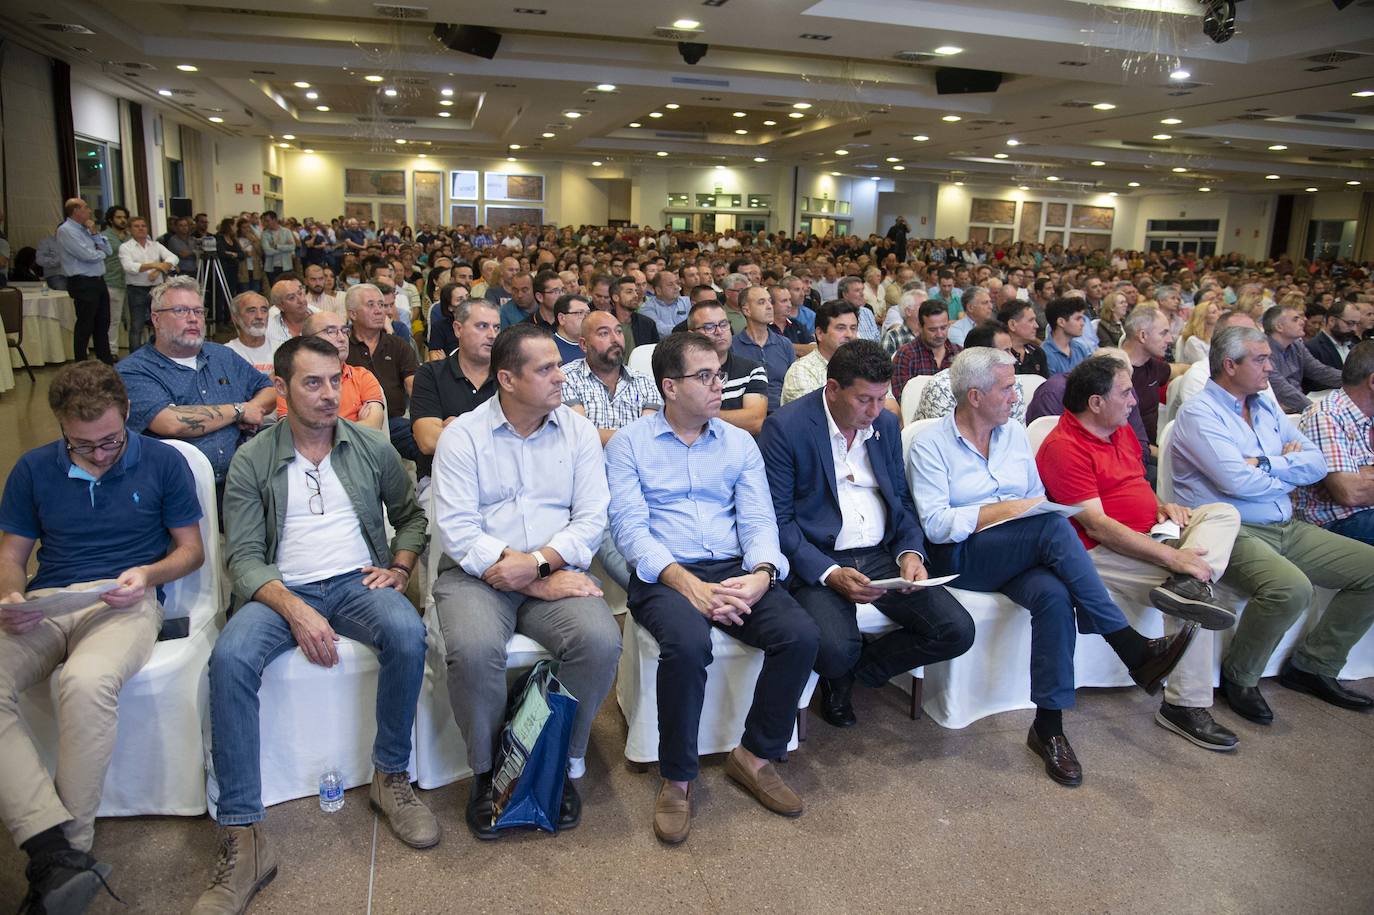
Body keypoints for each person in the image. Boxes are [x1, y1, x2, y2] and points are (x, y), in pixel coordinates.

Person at [201, 337, 432, 915]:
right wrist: (294, 607)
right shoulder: (255, 458)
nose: (329, 395)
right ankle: (243, 833)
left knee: (406, 634)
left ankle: (390, 775)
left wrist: (400, 567)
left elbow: (410, 517)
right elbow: (245, 556)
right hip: (285, 587)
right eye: (312, 383)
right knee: (230, 659)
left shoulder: (371, 446)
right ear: (280, 389)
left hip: (357, 581)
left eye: (335, 381)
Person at [909, 348, 1201, 786]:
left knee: (1055, 595)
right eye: (1007, 388)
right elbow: (936, 525)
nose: (1016, 396)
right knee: (1052, 528)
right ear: (974, 396)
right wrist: (1004, 509)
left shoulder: (1012, 436)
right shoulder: (930, 443)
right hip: (962, 555)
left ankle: (1048, 726)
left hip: (1019, 548)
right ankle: (1129, 645)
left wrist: (1021, 510)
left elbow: (1034, 496)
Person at [0, 361, 203, 914]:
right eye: (81, 444)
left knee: (87, 683)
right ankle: (54, 855)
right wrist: (12, 596)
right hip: (48, 603)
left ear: (127, 416)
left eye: (110, 440)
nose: (99, 454)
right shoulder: (33, 468)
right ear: (61, 427)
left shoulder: (160, 460)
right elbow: (11, 556)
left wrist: (148, 575)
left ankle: (69, 849)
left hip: (124, 601)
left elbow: (191, 550)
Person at [606, 332, 821, 845]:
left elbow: (758, 520)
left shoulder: (739, 442)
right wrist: (687, 585)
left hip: (734, 566)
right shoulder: (630, 445)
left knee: (801, 634)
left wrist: (762, 575)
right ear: (669, 386)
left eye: (719, 375)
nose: (718, 386)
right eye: (704, 377)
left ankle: (755, 755)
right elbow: (631, 532)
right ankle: (677, 777)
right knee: (687, 644)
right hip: (664, 571)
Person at [431, 324, 621, 840]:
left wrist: (539, 566)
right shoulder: (463, 436)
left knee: (601, 641)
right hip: (477, 576)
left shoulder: (578, 431)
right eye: (546, 369)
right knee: (472, 649)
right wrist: (529, 578)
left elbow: (591, 518)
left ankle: (556, 761)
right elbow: (458, 531)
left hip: (552, 568)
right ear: (507, 379)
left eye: (559, 365)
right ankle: (490, 771)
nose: (561, 377)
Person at [759, 340, 974, 728]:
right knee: (834, 649)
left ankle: (852, 676)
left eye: (882, 399)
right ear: (833, 389)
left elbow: (902, 500)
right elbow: (778, 521)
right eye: (864, 400)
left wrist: (911, 553)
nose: (875, 411)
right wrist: (828, 574)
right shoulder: (786, 427)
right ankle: (840, 669)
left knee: (956, 631)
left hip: (881, 552)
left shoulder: (886, 424)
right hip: (820, 555)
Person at [1170, 325, 1374, 725]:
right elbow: (1235, 482)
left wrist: (1266, 463)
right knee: (1289, 589)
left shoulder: (1265, 405)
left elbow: (1316, 465)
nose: (1271, 366)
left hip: (1286, 523)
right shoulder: (1199, 413)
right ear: (1230, 365)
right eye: (1261, 359)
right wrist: (1287, 466)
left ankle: (1314, 665)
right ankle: (1240, 677)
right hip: (1232, 529)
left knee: (1371, 569)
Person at [1038, 356, 1243, 752]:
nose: (1135, 401)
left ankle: (1187, 583)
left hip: (1153, 531)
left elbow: (1135, 484)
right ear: (1096, 402)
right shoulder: (1064, 447)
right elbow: (1098, 527)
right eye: (1125, 392)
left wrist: (1163, 507)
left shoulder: (1120, 431)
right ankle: (1184, 706)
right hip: (1099, 552)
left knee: (1222, 512)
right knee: (1195, 599)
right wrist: (1172, 559)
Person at [117, 277, 276, 486]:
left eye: (199, 312)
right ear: (156, 319)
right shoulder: (134, 370)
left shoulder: (222, 356)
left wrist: (254, 407)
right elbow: (170, 422)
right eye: (181, 311)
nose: (193, 319)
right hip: (178, 488)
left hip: (240, 481)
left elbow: (269, 389)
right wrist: (240, 410)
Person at [561, 310, 662, 590]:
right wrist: (630, 438)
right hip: (589, 478)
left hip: (640, 476)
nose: (615, 339)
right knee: (604, 525)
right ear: (583, 344)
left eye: (618, 331)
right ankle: (648, 591)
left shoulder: (644, 380)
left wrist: (607, 437)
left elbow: (649, 438)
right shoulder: (565, 378)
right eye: (603, 333)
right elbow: (583, 435)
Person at [410, 298, 499, 494]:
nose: (492, 335)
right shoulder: (431, 374)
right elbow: (428, 441)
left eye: (496, 327)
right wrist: (495, 435)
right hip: (444, 480)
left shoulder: (508, 375)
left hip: (501, 479)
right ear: (458, 329)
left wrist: (457, 427)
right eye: (482, 326)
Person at [1295, 341, 1374, 544]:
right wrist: (1358, 477)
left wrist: (1364, 474)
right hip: (1335, 523)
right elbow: (1351, 493)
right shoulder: (1326, 415)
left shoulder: (1367, 414)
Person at [275, 312, 385, 431]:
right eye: (331, 331)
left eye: (344, 331)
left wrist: (320, 430)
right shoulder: (294, 380)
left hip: (358, 449)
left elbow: (373, 427)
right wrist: (358, 425)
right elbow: (294, 432)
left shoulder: (363, 376)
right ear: (310, 339)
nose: (342, 338)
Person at [346, 283, 420, 461]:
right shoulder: (342, 346)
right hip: (352, 424)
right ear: (352, 313)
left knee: (424, 443)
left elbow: (413, 385)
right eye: (371, 305)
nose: (380, 311)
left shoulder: (397, 344)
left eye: (381, 304)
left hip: (393, 422)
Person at [914, 324, 1027, 423]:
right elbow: (942, 440)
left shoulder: (1013, 383)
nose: (1013, 358)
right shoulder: (941, 388)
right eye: (1006, 351)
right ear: (980, 356)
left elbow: (1014, 436)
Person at [685, 300, 768, 434]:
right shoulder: (683, 374)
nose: (719, 331)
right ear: (692, 335)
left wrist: (700, 416)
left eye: (723, 324)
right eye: (709, 327)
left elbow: (755, 421)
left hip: (739, 451)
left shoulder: (752, 370)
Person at [57, 198, 115, 364]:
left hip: (98, 280)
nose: (90, 211)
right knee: (85, 324)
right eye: (86, 207)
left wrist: (95, 233)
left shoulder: (88, 229)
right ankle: (81, 362)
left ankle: (105, 360)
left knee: (103, 322)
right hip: (82, 282)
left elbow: (108, 250)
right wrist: (99, 253)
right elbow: (87, 256)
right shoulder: (66, 231)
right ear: (76, 211)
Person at [1264, 302, 1343, 414]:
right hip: (1277, 411)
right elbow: (1281, 388)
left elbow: (1319, 371)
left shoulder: (1297, 345)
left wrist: (1354, 381)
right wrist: (1314, 410)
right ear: (1279, 327)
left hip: (1298, 407)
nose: (1303, 321)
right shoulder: (1263, 350)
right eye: (1295, 319)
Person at [730, 285, 795, 412]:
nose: (770, 306)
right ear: (747, 310)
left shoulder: (784, 343)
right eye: (761, 302)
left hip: (783, 413)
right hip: (748, 414)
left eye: (770, 301)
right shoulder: (732, 346)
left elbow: (793, 386)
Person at [118, 216, 178, 352]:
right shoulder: (125, 247)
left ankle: (162, 352)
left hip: (156, 289)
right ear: (130, 230)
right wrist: (154, 264)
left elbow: (173, 258)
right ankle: (134, 357)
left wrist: (158, 269)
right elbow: (129, 267)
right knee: (136, 326)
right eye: (136, 226)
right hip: (136, 289)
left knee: (160, 323)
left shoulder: (156, 245)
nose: (141, 229)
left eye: (143, 226)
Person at [1120, 305, 1175, 450]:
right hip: (1130, 454)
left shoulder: (1152, 365)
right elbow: (1121, 440)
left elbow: (1178, 369)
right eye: (1164, 333)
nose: (1170, 339)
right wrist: (1165, 454)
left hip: (1150, 450)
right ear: (1143, 336)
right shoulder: (1115, 375)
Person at [891, 300, 961, 402]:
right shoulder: (906, 355)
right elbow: (902, 399)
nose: (940, 334)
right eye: (932, 330)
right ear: (920, 326)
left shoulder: (959, 353)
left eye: (944, 328)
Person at [100, 206, 130, 356]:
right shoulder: (104, 237)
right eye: (118, 217)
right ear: (111, 219)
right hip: (111, 281)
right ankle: (112, 350)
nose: (122, 220)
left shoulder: (130, 237)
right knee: (113, 319)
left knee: (130, 319)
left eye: (124, 217)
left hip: (130, 282)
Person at [224, 291, 275, 375]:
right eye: (252, 311)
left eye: (264, 310)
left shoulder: (281, 349)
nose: (259, 316)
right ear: (235, 318)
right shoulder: (226, 353)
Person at [608, 274, 660, 356]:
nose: (636, 295)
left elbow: (656, 354)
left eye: (636, 291)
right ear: (616, 297)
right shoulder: (605, 324)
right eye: (629, 292)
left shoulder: (647, 324)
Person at [1042, 296, 1095, 375]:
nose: (1082, 323)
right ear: (1061, 322)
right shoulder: (1045, 354)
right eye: (1078, 319)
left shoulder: (1079, 348)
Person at [1305, 300, 1363, 372]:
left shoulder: (1354, 347)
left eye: (1357, 324)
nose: (1354, 329)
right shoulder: (1312, 348)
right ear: (1331, 321)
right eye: (1350, 323)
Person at [265, 276, 317, 351]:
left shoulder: (320, 316)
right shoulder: (270, 327)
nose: (301, 300)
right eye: (291, 298)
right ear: (280, 306)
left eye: (300, 293)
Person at [1000, 300, 1050, 377]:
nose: (1036, 325)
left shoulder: (1038, 353)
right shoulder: (998, 355)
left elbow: (1045, 386)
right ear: (1012, 325)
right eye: (1031, 320)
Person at [640, 270, 692, 336]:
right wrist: (687, 329)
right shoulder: (646, 308)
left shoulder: (688, 302)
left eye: (677, 283)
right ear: (658, 290)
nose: (676, 287)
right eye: (670, 284)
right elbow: (660, 330)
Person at [256, 211, 296, 286]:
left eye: (267, 221)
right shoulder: (264, 234)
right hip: (271, 268)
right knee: (275, 289)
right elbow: (267, 251)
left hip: (286, 266)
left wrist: (277, 246)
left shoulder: (286, 231)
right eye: (264, 221)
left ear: (275, 220)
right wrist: (285, 248)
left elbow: (292, 247)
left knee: (288, 287)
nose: (265, 223)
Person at [552, 292, 592, 364]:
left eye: (588, 313)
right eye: (580, 313)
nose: (587, 318)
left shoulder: (593, 343)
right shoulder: (550, 347)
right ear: (562, 318)